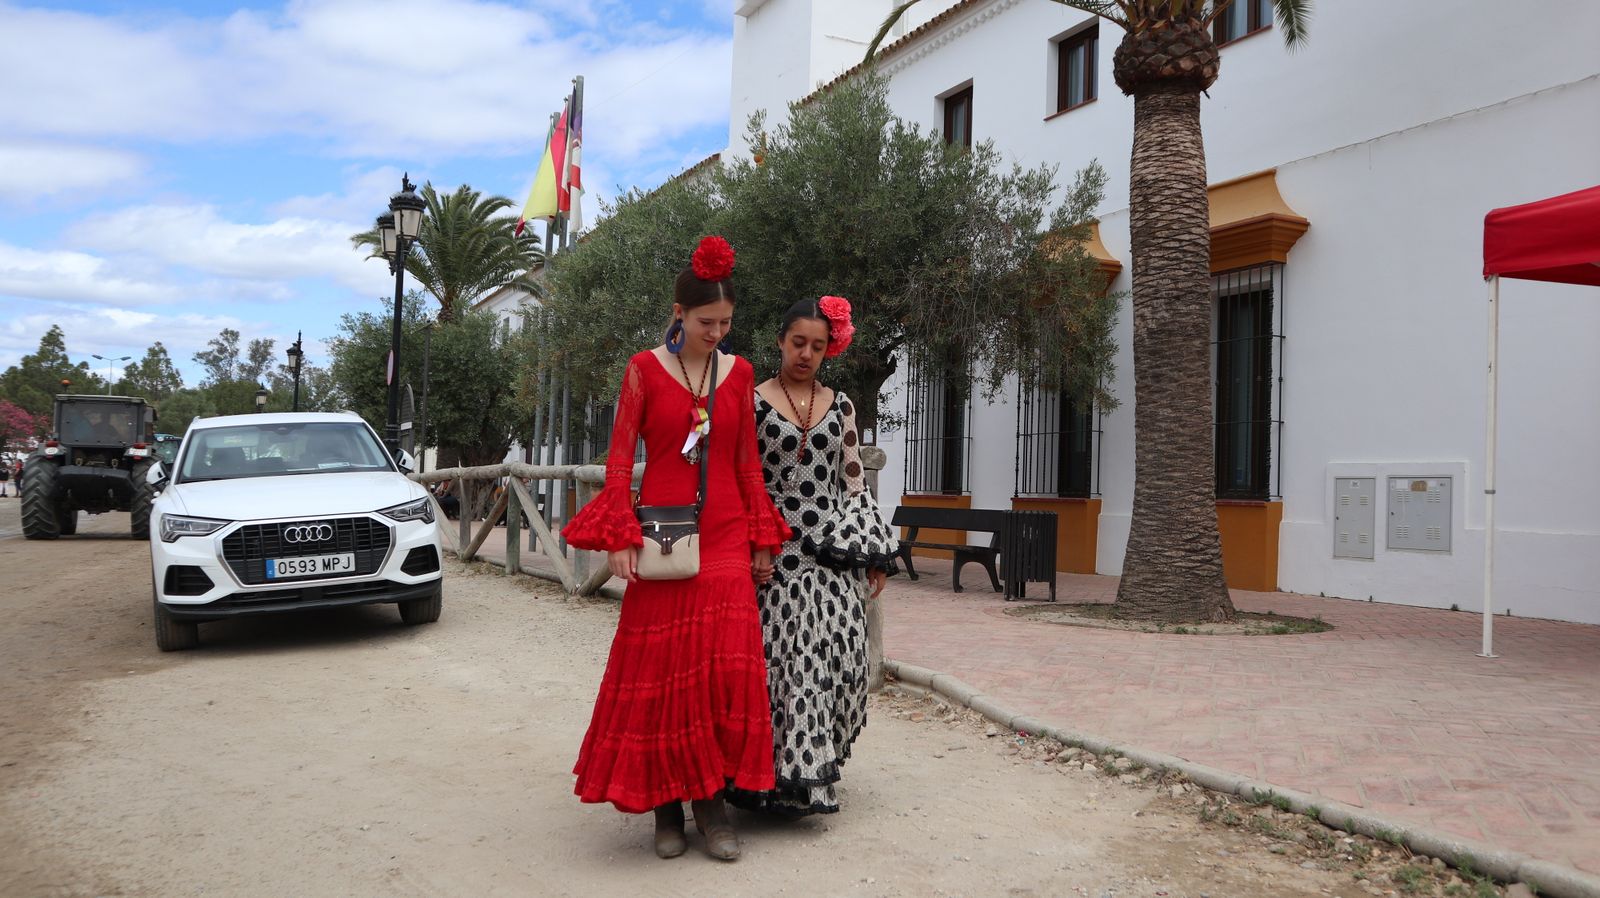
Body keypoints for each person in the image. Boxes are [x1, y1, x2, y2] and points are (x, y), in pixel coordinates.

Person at [561, 236, 790, 862]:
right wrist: (619, 536)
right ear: (678, 314)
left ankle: (712, 806)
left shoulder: (739, 374)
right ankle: (665, 810)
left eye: (725, 323)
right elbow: (617, 461)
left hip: (723, 535)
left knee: (720, 674)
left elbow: (747, 462)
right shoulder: (642, 370)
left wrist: (760, 537)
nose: (716, 333)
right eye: (705, 322)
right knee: (664, 676)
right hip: (663, 533)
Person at [734, 295, 898, 817]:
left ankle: (815, 765)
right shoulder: (752, 400)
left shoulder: (842, 404)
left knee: (842, 661)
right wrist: (757, 542)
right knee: (784, 664)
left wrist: (872, 551)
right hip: (772, 549)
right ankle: (783, 780)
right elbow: (746, 478)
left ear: (831, 350)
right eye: (798, 342)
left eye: (818, 346)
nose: (806, 354)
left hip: (830, 549)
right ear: (780, 340)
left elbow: (853, 482)